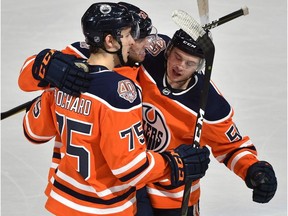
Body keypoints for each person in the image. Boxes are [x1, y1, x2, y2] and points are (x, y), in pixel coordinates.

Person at [19, 3, 277, 216]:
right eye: (176, 57)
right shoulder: (134, 60)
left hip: (170, 195)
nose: (178, 66)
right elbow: (38, 72)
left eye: (189, 63)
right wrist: (46, 66)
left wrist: (252, 170)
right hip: (129, 184)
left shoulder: (205, 100)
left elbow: (231, 146)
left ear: (200, 66)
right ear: (166, 52)